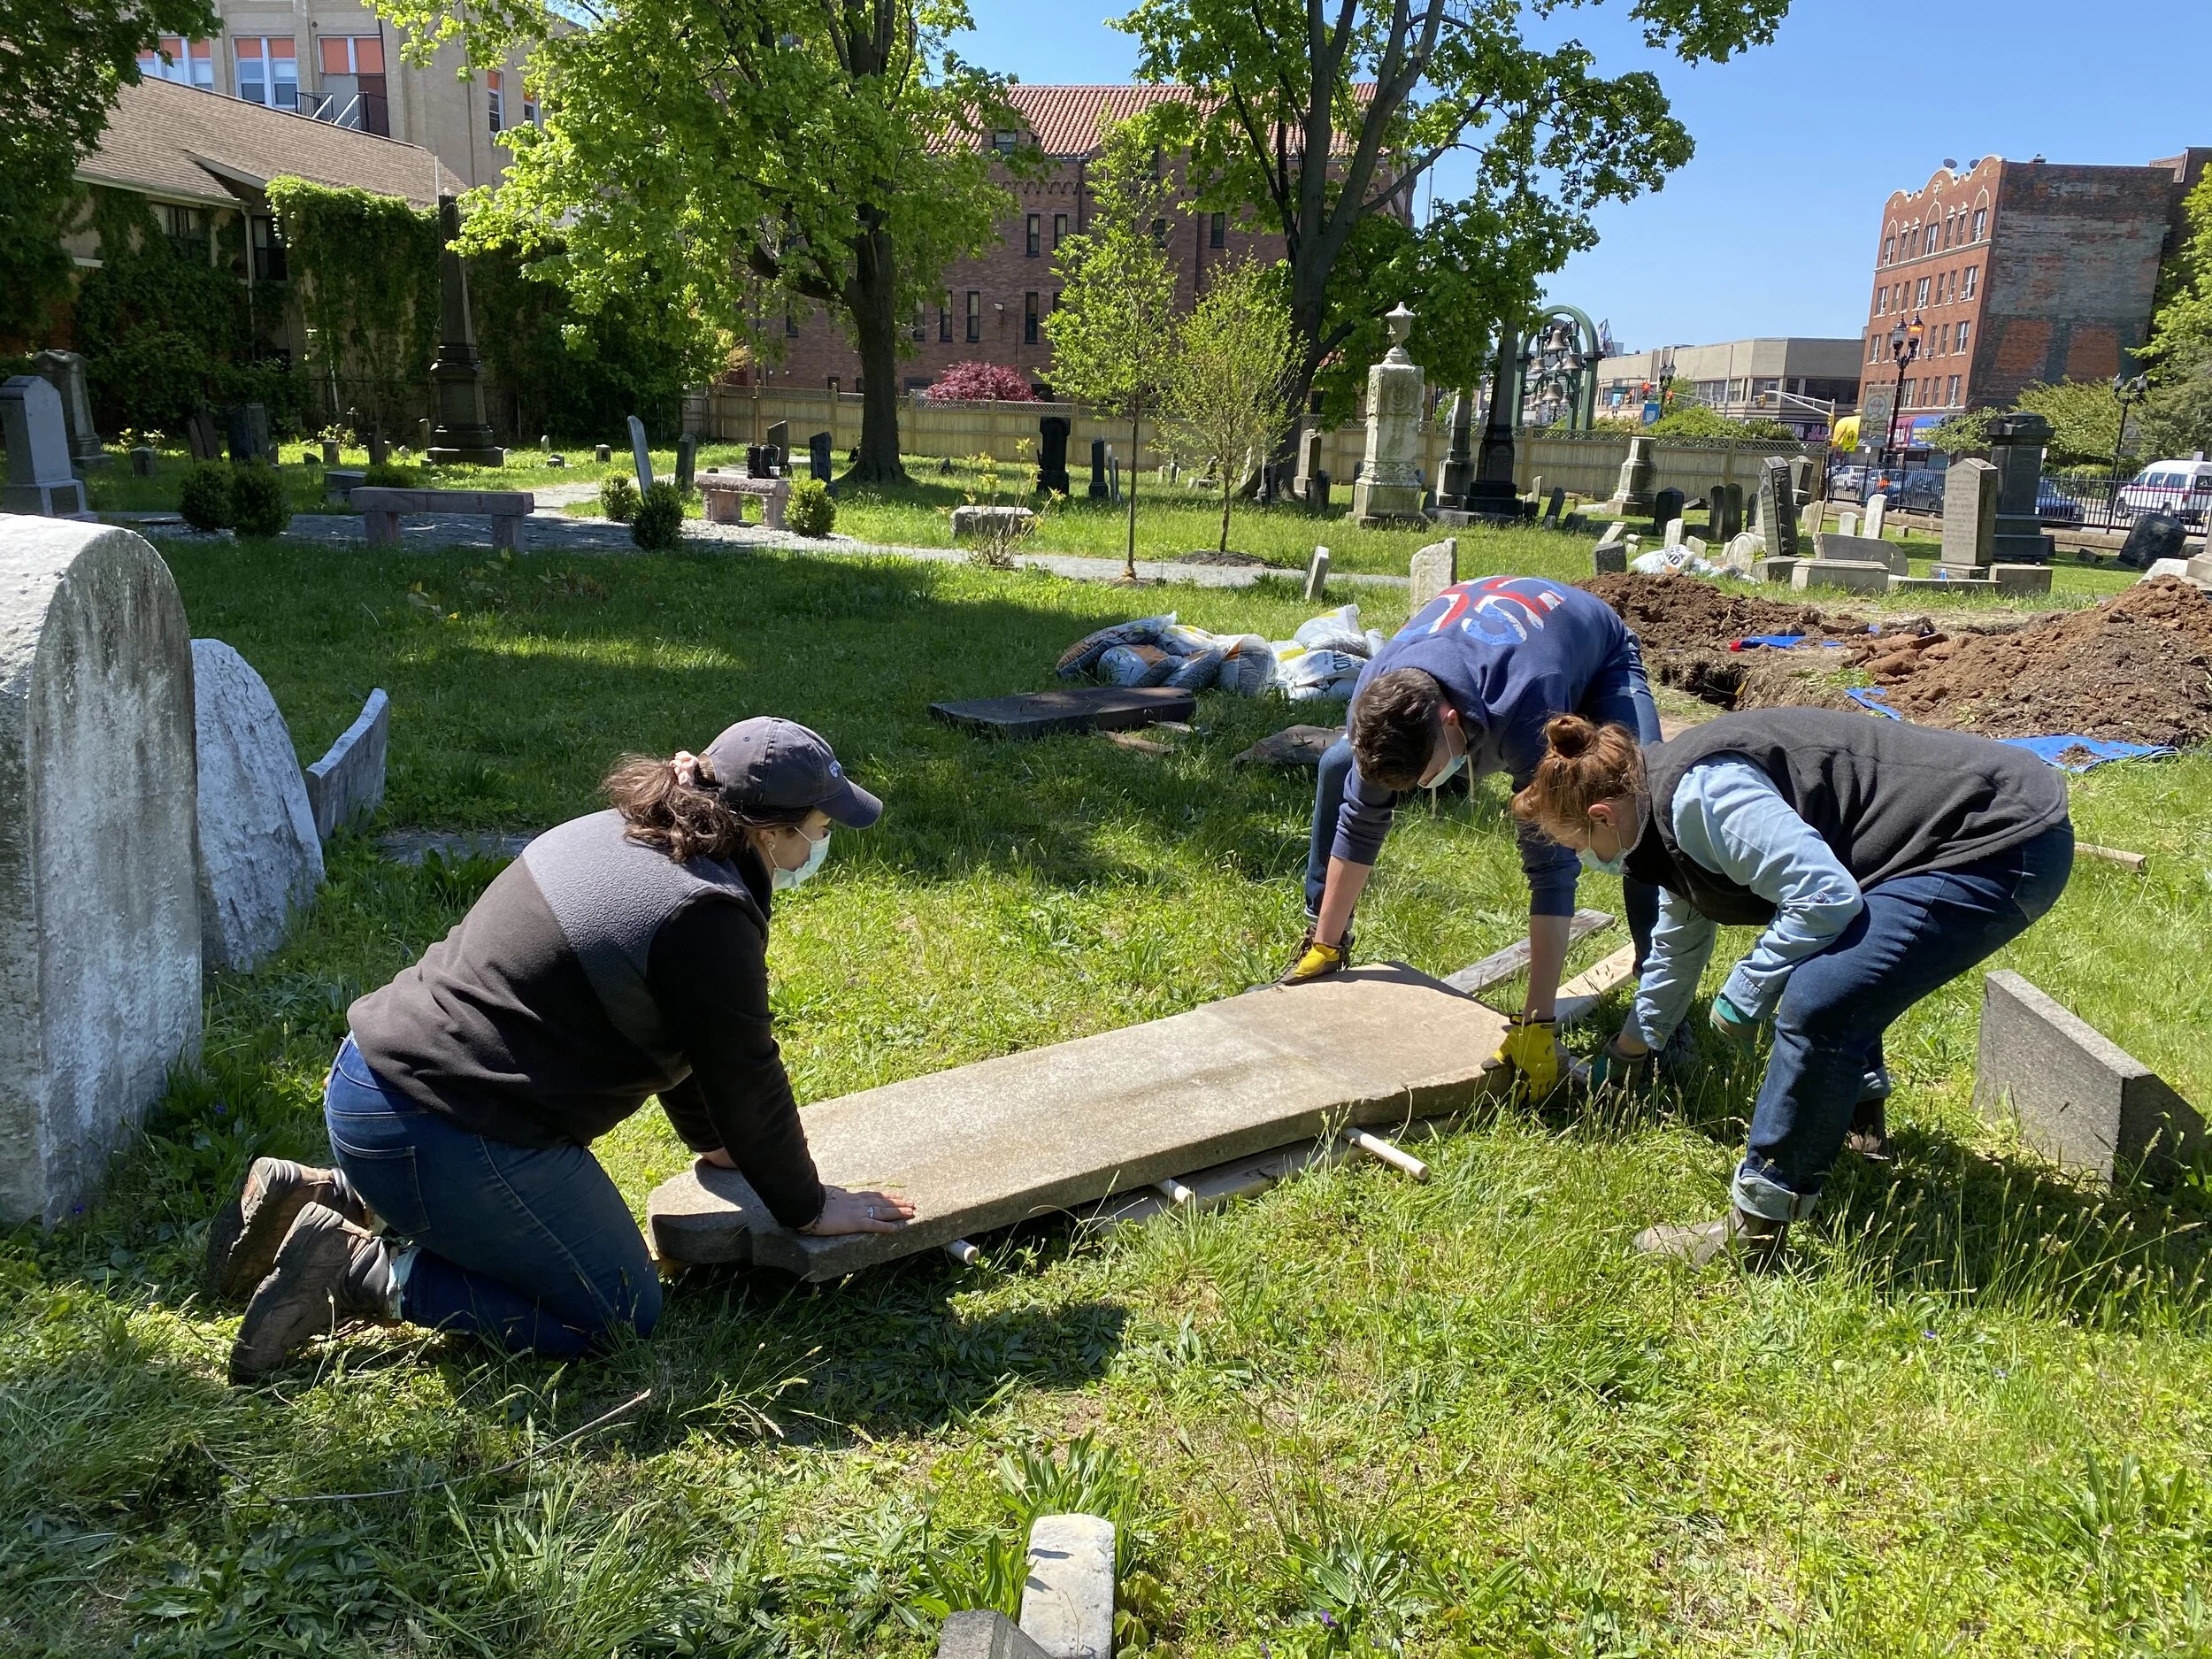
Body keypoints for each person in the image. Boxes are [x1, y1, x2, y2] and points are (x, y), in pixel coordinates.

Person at [211, 718, 913, 1381]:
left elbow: (680, 1030)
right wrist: (807, 1206)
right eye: (818, 829)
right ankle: (357, 1270)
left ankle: (328, 1192)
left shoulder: (632, 832)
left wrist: (719, 1143)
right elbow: (744, 1074)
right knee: (615, 1310)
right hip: (440, 1131)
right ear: (768, 832)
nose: (819, 845)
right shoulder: (706, 916)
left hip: (367, 1085)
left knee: (521, 1223)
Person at [1512, 706, 2073, 1265]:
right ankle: (1859, 1134)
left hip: (1997, 839)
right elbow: (1676, 950)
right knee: (1839, 961)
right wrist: (1627, 1052)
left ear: (1603, 816)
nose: (1586, 861)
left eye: (1581, 847)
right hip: (1950, 837)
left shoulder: (1704, 800)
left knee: (1818, 998)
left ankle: (1756, 1227)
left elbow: (1825, 897)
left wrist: (1749, 985)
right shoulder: (1655, 817)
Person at [1281, 574, 1668, 1091]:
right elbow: (1361, 815)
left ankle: (1659, 995)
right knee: (1338, 767)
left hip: (1596, 656)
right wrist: (1328, 946)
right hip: (1483, 656)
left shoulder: (1527, 698)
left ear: (1449, 721)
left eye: (1426, 774)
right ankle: (1323, 933)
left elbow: (1551, 866)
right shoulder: (1376, 693)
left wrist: (1538, 1021)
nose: (1425, 787)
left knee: (1641, 809)